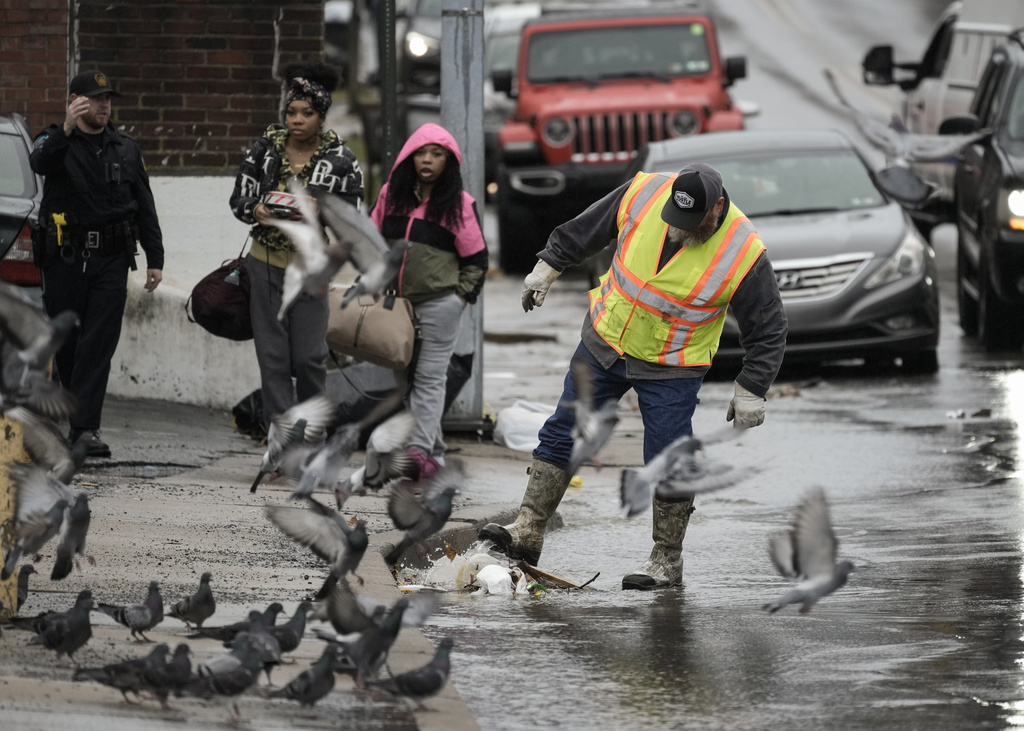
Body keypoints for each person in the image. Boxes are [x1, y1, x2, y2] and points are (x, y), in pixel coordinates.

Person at [479, 163, 788, 590]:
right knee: (562, 432)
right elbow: (589, 227)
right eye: (676, 218)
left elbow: (768, 326)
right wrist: (549, 265)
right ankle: (528, 528)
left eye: (693, 221)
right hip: (606, 339)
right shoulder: (645, 191)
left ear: (718, 207)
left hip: (671, 365)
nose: (680, 227)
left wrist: (753, 386)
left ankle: (666, 560)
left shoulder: (743, 249)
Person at [29, 70, 164, 458]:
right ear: (75, 100)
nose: (104, 105)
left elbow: (145, 205)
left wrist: (155, 257)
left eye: (108, 99)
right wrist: (66, 129)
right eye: (96, 98)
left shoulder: (125, 147)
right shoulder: (54, 141)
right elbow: (39, 163)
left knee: (98, 342)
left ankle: (86, 428)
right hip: (65, 259)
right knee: (69, 343)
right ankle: (76, 425)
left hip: (111, 259)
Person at [229, 63, 364, 438]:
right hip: (264, 264)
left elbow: (353, 217)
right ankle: (282, 442)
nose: (297, 120)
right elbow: (238, 197)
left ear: (321, 116)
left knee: (308, 358)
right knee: (272, 359)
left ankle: (313, 433)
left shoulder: (342, 159)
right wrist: (256, 209)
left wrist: (325, 212)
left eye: (307, 113)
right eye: (291, 112)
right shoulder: (263, 149)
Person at [369, 123, 488, 479]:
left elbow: (477, 260)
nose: (428, 160)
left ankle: (418, 452)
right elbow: (371, 241)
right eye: (422, 152)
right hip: (395, 306)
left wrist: (460, 299)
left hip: (440, 305)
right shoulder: (391, 195)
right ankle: (433, 452)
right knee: (404, 380)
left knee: (429, 379)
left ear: (448, 163)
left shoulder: (459, 206)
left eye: (437, 154)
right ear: (409, 157)